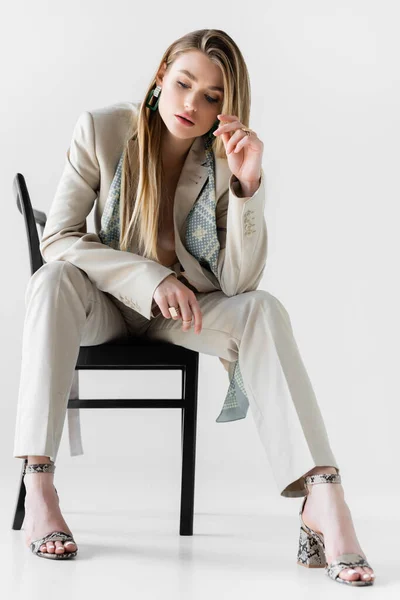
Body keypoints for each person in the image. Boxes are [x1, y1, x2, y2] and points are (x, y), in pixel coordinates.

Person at [13, 28, 375, 584]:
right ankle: (39, 483)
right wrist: (150, 277)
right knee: (51, 279)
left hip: (187, 315)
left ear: (225, 108)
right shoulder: (102, 129)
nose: (192, 103)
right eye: (184, 83)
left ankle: (324, 499)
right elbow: (58, 238)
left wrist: (248, 185)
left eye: (212, 96)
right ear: (161, 78)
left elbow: (240, 282)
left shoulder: (225, 159)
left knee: (264, 310)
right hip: (105, 305)